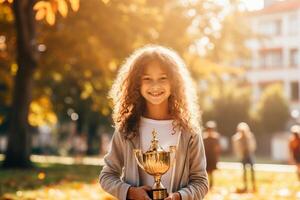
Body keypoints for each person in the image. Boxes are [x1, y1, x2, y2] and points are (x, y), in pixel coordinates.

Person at [99, 45, 208, 200]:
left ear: (174, 83)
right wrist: (130, 192)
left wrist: (179, 197)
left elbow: (201, 182)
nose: (155, 86)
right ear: (137, 84)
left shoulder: (188, 130)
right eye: (147, 79)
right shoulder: (126, 129)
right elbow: (107, 176)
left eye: (163, 78)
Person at [232, 122, 256, 192]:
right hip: (243, 156)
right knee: (245, 171)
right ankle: (246, 186)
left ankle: (253, 185)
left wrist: (250, 150)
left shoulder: (249, 136)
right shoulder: (237, 138)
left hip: (249, 154)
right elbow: (236, 147)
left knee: (252, 170)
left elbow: (253, 145)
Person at [203, 121, 221, 188]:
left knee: (211, 172)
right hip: (206, 156)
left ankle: (211, 184)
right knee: (206, 171)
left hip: (212, 157)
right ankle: (206, 184)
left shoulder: (215, 138)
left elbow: (217, 148)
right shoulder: (204, 138)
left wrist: (217, 157)